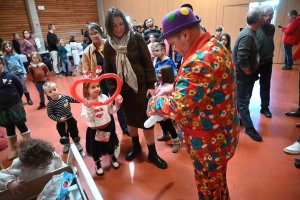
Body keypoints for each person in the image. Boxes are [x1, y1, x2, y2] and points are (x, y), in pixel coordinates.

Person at [147, 7, 239, 199]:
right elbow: (208, 87)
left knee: (208, 191)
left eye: (173, 44)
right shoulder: (214, 45)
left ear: (186, 35)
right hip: (223, 135)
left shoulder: (199, 60)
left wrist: (154, 102)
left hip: (208, 144)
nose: (174, 49)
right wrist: (175, 88)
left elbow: (178, 108)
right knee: (218, 183)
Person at [103, 7, 167, 169]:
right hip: (123, 90)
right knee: (130, 118)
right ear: (109, 27)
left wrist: (151, 85)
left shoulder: (136, 37)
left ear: (124, 22)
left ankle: (152, 152)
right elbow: (108, 71)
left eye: (120, 24)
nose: (118, 28)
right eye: (114, 25)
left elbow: (147, 63)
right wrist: (114, 93)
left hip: (141, 87)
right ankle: (136, 145)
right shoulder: (108, 45)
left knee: (147, 118)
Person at [82, 22, 130, 137]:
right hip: (99, 84)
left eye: (96, 33)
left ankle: (124, 127)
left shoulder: (110, 44)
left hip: (113, 80)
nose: (94, 36)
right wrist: (90, 80)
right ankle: (110, 128)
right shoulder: (87, 52)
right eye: (91, 34)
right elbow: (85, 70)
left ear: (101, 32)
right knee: (103, 106)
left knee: (118, 102)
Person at [232, 7, 266, 142]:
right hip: (243, 75)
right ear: (259, 19)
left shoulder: (251, 32)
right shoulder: (247, 35)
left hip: (247, 76)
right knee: (243, 101)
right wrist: (248, 72)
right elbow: (242, 58)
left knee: (242, 99)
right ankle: (249, 127)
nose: (265, 18)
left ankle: (239, 120)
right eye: (264, 16)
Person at [81, 81, 122, 176]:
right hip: (94, 130)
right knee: (95, 148)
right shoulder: (85, 103)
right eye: (93, 87)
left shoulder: (104, 97)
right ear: (86, 89)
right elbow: (90, 118)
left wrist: (117, 105)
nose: (96, 89)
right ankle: (97, 163)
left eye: (98, 86)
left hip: (107, 126)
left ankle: (112, 157)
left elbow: (111, 111)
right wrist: (89, 108)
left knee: (109, 145)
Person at [0, 138, 66, 196]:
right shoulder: (19, 164)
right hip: (33, 190)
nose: (50, 162)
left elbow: (62, 168)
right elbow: (2, 175)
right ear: (32, 164)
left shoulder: (50, 153)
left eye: (50, 158)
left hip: (52, 187)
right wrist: (9, 182)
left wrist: (66, 173)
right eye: (45, 162)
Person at [0, 57, 32, 160]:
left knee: (21, 125)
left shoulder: (11, 76)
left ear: (2, 64)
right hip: (2, 109)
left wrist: (16, 99)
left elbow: (20, 88)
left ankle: (30, 147)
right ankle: (14, 149)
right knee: (9, 128)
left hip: (15, 106)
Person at [249, 5, 275, 119]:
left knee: (265, 85)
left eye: (272, 14)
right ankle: (244, 108)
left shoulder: (272, 28)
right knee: (249, 85)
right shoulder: (255, 28)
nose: (270, 17)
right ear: (261, 16)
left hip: (268, 61)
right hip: (256, 63)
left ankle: (265, 107)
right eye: (268, 15)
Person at [43, 81, 83, 153]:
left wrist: (81, 100)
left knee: (74, 131)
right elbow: (50, 114)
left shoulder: (65, 97)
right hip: (61, 122)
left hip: (70, 119)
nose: (53, 92)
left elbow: (74, 100)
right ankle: (67, 144)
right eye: (50, 91)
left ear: (58, 89)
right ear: (47, 94)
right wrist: (59, 119)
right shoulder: (50, 104)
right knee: (63, 133)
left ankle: (77, 142)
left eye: (54, 90)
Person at [155, 65, 180, 153]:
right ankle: (165, 134)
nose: (158, 75)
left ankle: (176, 141)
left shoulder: (170, 87)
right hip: (160, 110)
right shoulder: (161, 83)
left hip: (166, 111)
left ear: (166, 74)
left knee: (169, 125)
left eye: (160, 73)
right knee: (162, 123)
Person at [1, 40, 33, 105]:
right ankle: (19, 99)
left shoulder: (16, 55)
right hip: (12, 74)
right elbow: (6, 67)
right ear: (4, 48)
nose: (8, 47)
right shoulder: (4, 57)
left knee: (23, 86)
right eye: (6, 46)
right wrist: (8, 75)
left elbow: (21, 64)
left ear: (12, 47)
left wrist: (24, 73)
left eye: (9, 46)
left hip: (20, 73)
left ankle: (28, 99)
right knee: (15, 87)